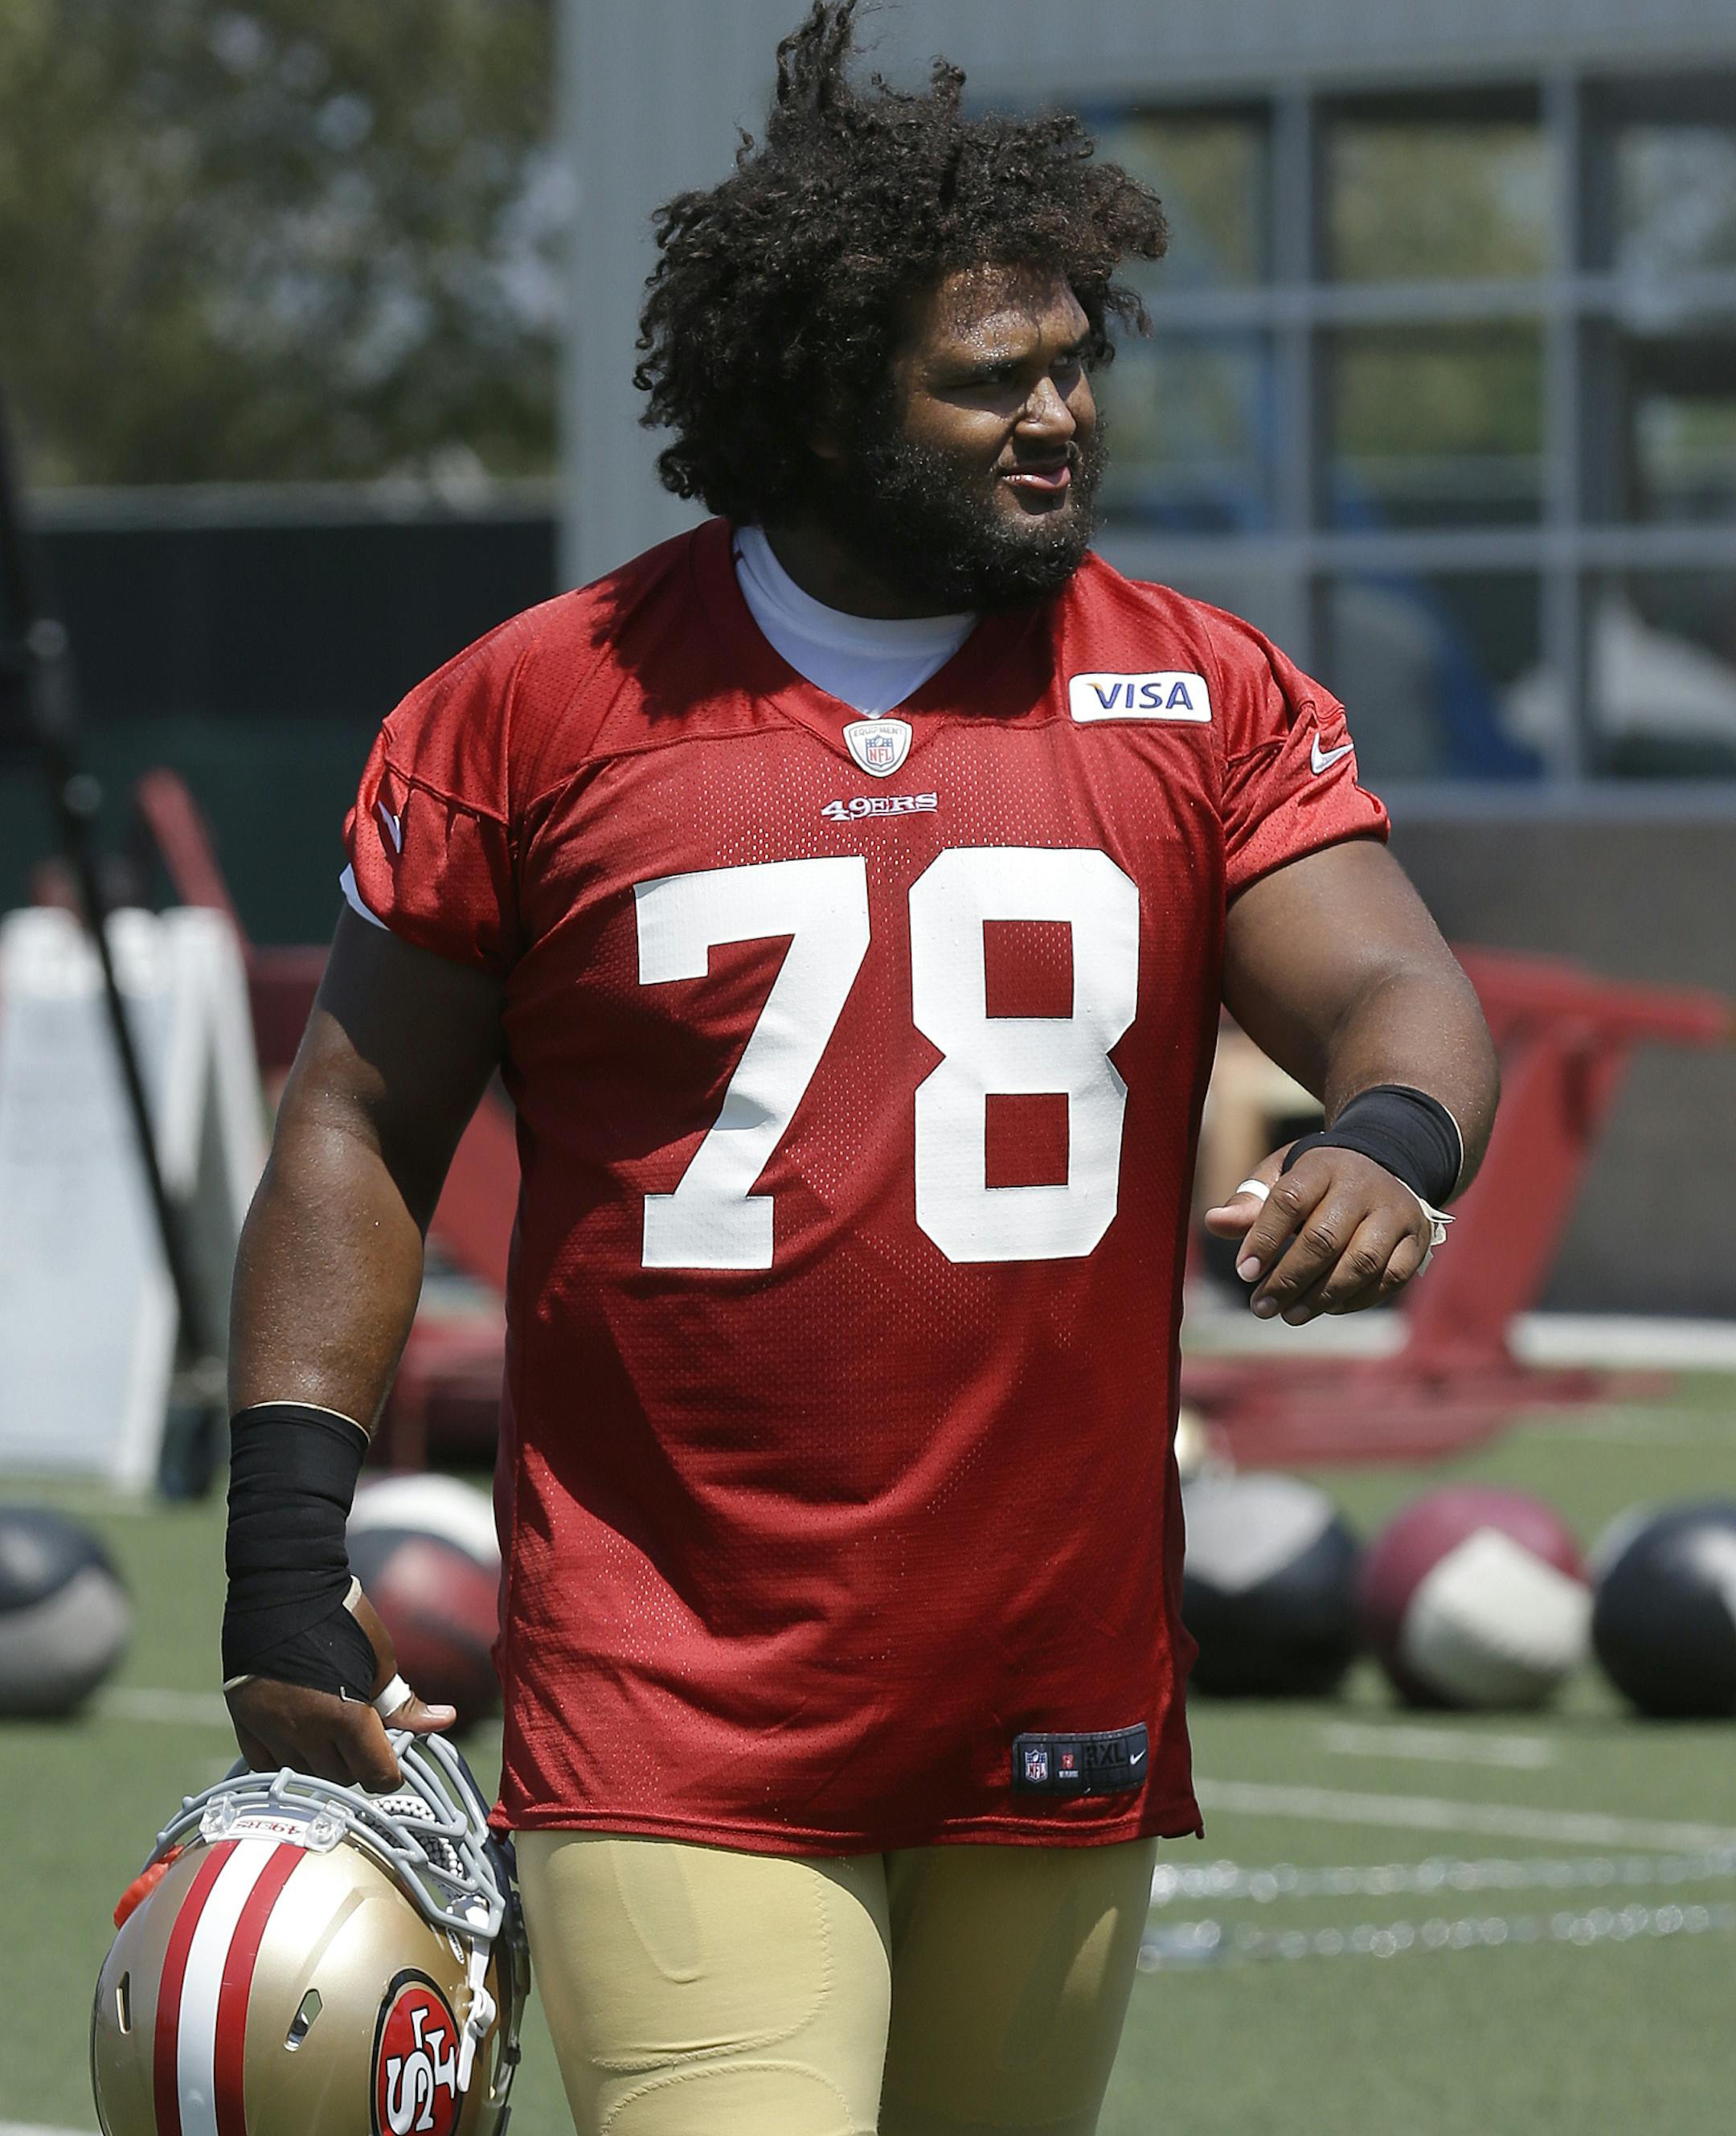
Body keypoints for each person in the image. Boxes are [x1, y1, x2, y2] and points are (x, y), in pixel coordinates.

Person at [220, 7, 1499, 2132]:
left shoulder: (1200, 689)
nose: (1059, 413)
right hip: (681, 1690)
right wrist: (283, 1557)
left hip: (1056, 1679)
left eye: (1078, 362)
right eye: (991, 378)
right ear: (821, 403)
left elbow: (1396, 986)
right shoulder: (543, 706)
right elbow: (359, 1116)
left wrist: (1389, 1132)